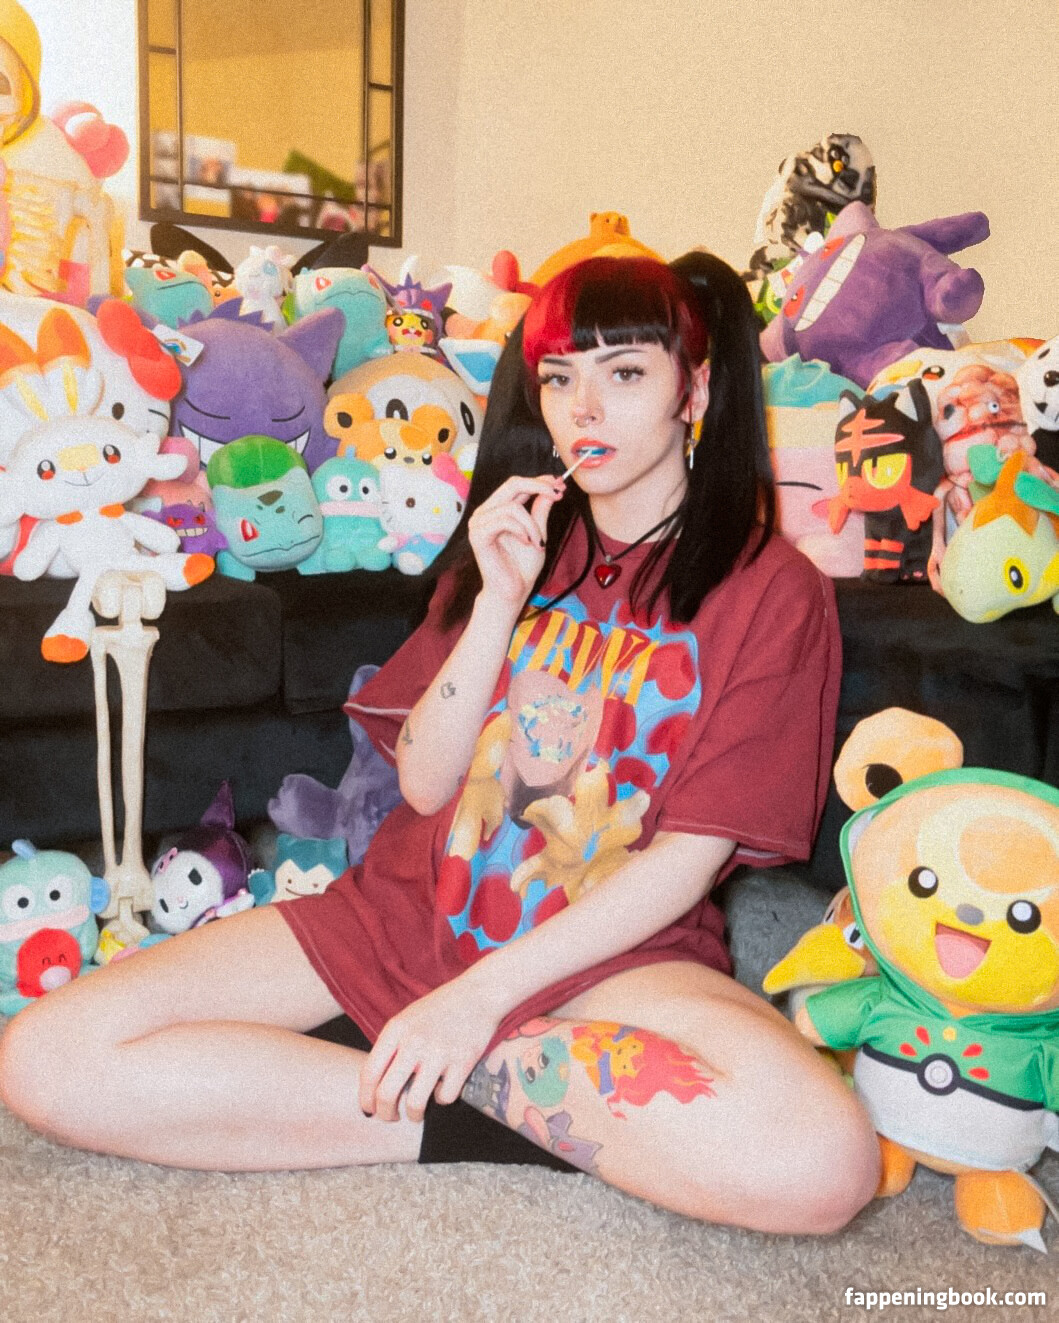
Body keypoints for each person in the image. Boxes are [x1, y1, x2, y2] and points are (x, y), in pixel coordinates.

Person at [0, 252, 880, 1233]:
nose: (585, 408)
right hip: (403, 919)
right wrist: (498, 600)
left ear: (696, 390)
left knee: (824, 1164)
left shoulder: (773, 590)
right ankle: (463, 1105)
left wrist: (478, 1003)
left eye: (625, 373)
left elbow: (686, 863)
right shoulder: (516, 539)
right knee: (46, 1058)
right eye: (559, 378)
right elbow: (422, 783)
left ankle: (446, 1064)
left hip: (614, 961)